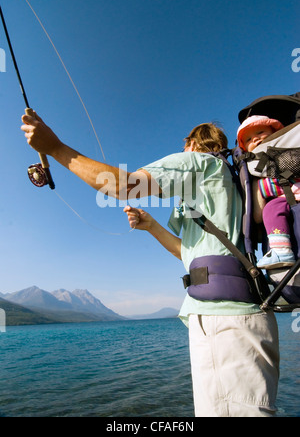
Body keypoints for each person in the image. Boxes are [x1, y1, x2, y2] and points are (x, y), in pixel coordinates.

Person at [21, 113, 280, 417]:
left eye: (185, 146)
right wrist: (152, 226)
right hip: (235, 317)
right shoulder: (225, 183)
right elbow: (191, 255)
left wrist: (54, 147)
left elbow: (120, 185)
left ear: (193, 144)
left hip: (226, 323)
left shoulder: (198, 163)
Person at [237, 115, 300, 270]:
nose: (256, 139)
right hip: (282, 201)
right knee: (271, 208)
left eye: (260, 132)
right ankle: (280, 250)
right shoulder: (257, 177)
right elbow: (258, 216)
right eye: (249, 139)